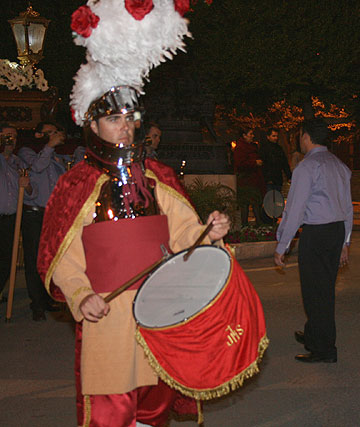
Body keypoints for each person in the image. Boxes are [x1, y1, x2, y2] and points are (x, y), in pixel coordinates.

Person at [37, 2, 229, 425]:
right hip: (107, 319)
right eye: (113, 119)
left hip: (158, 318)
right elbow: (62, 257)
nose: (125, 127)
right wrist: (80, 295)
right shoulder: (76, 185)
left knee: (153, 411)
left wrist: (210, 233)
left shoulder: (157, 177)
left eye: (130, 118)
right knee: (110, 414)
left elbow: (185, 238)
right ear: (92, 126)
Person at [274, 118, 353, 364]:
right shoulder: (340, 166)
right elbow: (347, 207)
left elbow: (295, 209)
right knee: (324, 287)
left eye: (300, 136)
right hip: (336, 231)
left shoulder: (307, 168)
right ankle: (313, 334)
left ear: (306, 137)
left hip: (316, 233)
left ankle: (323, 348)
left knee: (315, 292)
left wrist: (282, 244)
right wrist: (345, 242)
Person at [18, 121, 69, 320]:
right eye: (48, 133)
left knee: (51, 257)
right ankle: (36, 304)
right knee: (33, 259)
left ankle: (48, 298)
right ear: (38, 135)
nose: (53, 136)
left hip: (52, 213)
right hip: (34, 213)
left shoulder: (56, 156)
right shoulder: (27, 152)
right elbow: (38, 167)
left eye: (55, 133)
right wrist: (49, 146)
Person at [0, 124, 31, 303]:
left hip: (10, 219)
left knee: (6, 260)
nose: (11, 140)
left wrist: (26, 185)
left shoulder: (18, 162)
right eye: (7, 136)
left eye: (14, 137)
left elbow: (30, 191)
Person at [234, 128, 266, 225]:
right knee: (245, 205)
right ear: (244, 135)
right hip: (246, 181)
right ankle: (245, 225)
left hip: (254, 180)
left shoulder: (252, 147)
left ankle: (258, 224)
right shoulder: (241, 148)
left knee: (256, 203)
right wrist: (254, 163)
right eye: (250, 134)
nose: (252, 136)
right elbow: (240, 164)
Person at [259, 127, 291, 193]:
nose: (276, 138)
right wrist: (267, 178)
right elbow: (263, 165)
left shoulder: (279, 149)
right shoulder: (264, 149)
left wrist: (289, 176)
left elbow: (284, 163)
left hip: (277, 179)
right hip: (269, 180)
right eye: (273, 136)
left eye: (276, 136)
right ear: (268, 137)